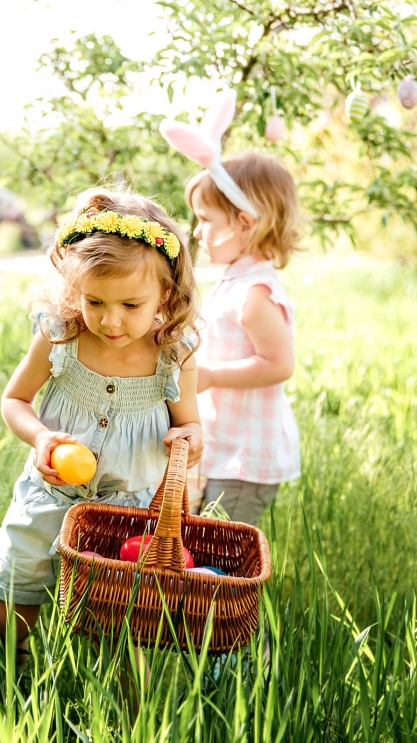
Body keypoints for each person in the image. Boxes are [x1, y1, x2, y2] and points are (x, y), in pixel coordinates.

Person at [0, 187, 204, 654]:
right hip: (50, 494)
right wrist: (41, 437)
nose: (111, 322)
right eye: (95, 302)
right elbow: (14, 400)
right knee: (18, 582)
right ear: (74, 289)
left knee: (126, 615)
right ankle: (10, 670)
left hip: (131, 511)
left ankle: (128, 707)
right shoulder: (60, 336)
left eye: (131, 306)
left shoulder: (173, 356)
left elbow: (192, 425)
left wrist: (190, 439)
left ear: (164, 293)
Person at [161, 91, 302, 526]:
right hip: (226, 449)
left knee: (221, 560)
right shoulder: (234, 280)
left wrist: (210, 377)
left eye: (207, 221)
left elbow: (278, 365)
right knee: (203, 542)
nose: (198, 232)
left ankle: (222, 599)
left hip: (247, 458)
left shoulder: (255, 292)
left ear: (245, 223)